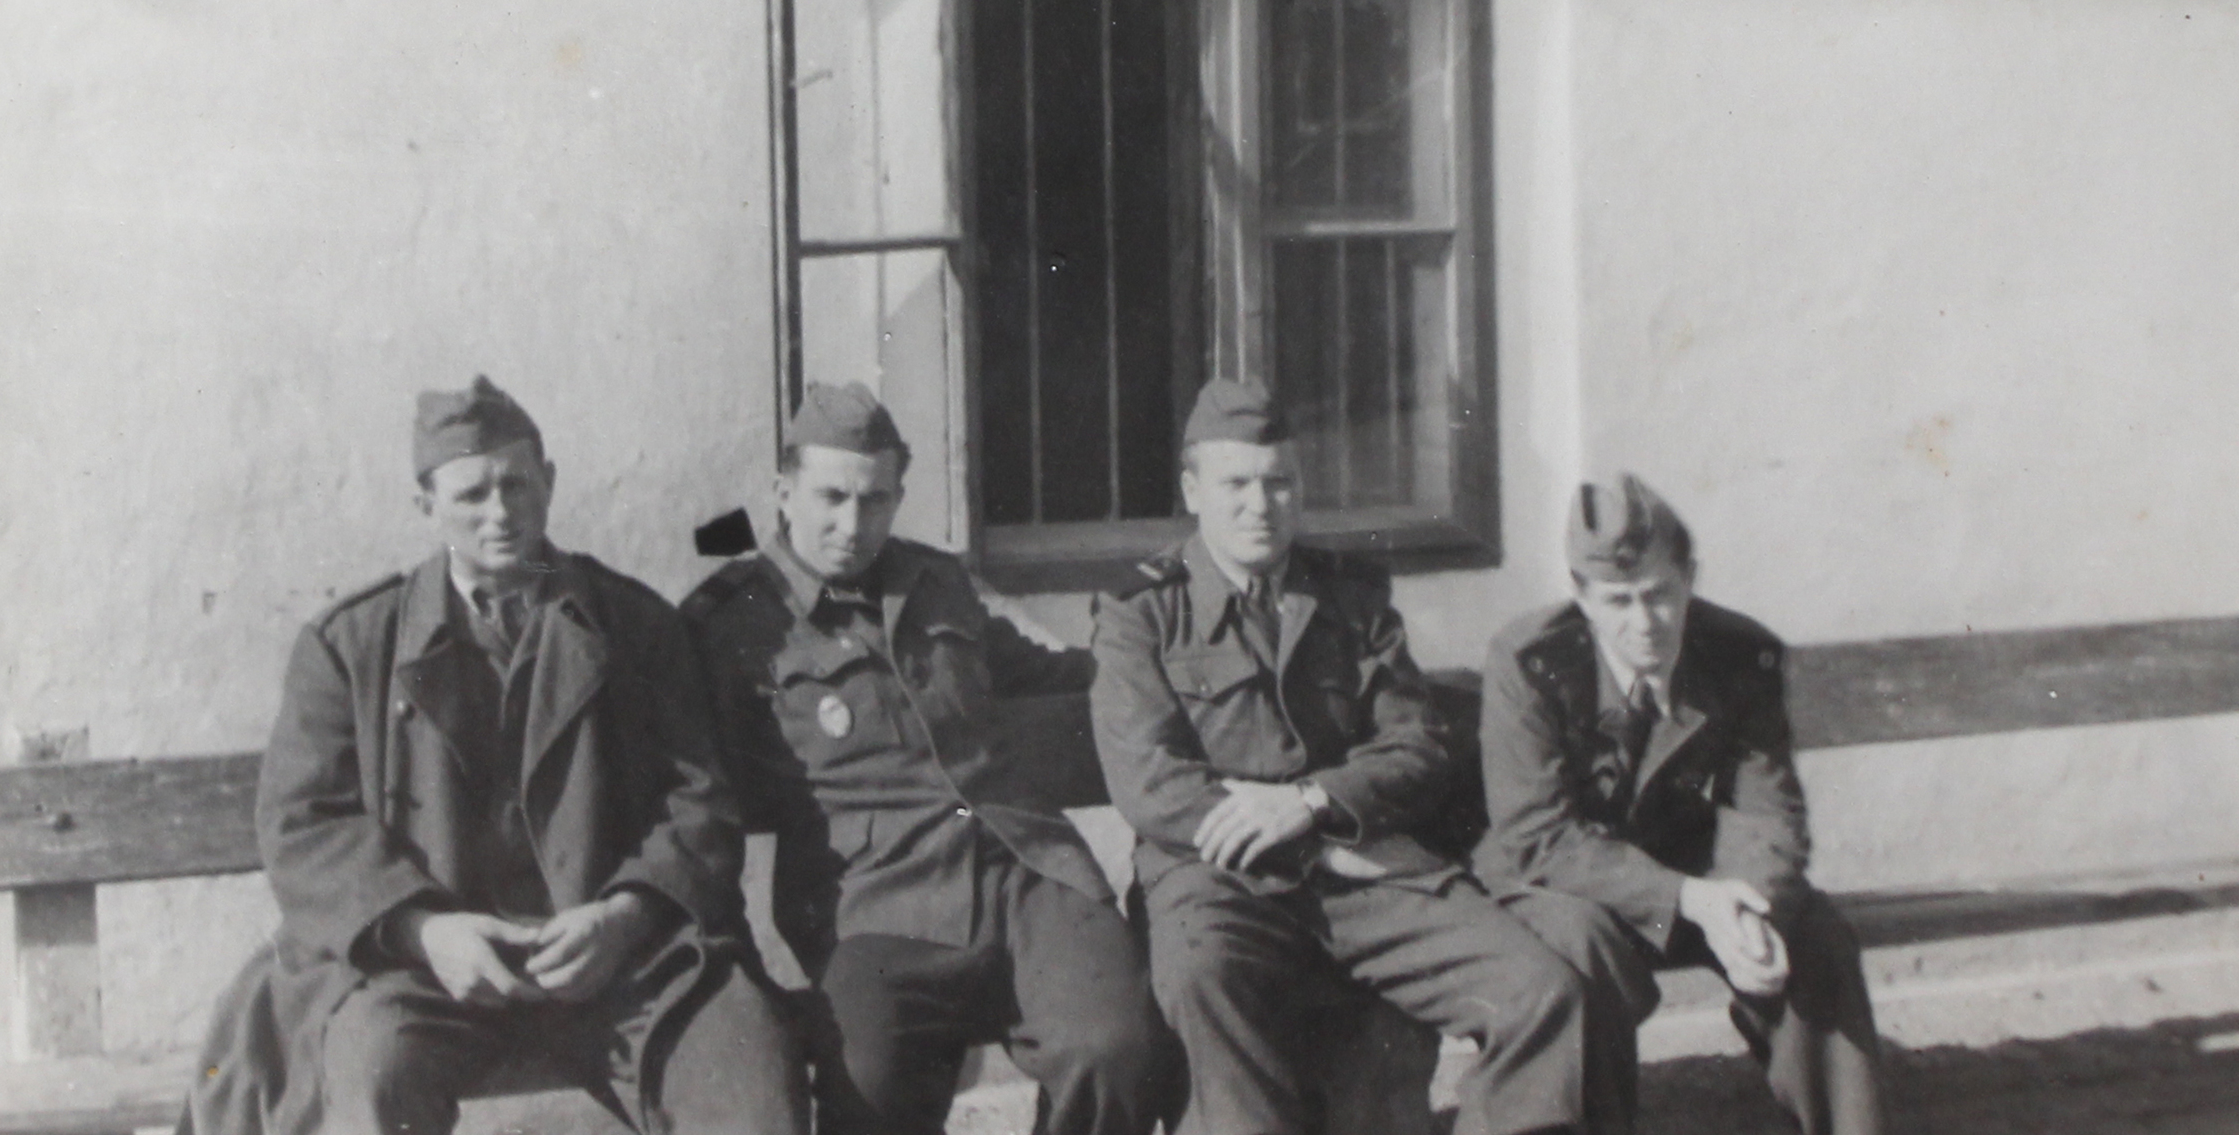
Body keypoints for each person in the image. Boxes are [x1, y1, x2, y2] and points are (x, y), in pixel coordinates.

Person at [182, 376, 807, 1135]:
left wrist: (624, 915)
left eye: (517, 485)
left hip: (622, 964)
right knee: (368, 1078)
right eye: (472, 494)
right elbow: (303, 825)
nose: (501, 512)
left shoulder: (635, 625)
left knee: (747, 1068)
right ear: (426, 505)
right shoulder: (351, 647)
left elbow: (698, 800)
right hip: (421, 974)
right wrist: (424, 931)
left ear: (550, 482)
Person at [1090, 378, 1596, 1135]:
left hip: (1367, 874)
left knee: (1543, 992)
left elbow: (1418, 744)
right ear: (1193, 491)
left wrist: (1311, 803)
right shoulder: (1140, 613)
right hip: (1218, 881)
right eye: (1236, 484)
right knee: (1201, 978)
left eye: (1279, 482)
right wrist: (1312, 846)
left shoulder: (1351, 596)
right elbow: (1149, 782)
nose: (1261, 505)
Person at [680, 382, 1171, 1135]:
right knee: (866, 1090)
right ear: (783, 492)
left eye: (875, 499)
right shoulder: (731, 622)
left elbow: (1043, 672)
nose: (853, 524)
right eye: (832, 497)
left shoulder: (937, 584)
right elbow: (678, 770)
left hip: (1026, 868)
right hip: (873, 900)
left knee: (1115, 1049)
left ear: (898, 497)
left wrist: (1158, 664)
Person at [1476, 474, 1887, 1135]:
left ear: (1690, 577)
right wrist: (1692, 899)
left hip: (1686, 871)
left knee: (1816, 938)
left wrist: (1752, 907)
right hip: (1559, 882)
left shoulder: (1738, 654)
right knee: (1580, 950)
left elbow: (1768, 810)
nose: (1644, 623)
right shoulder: (1529, 661)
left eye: (1661, 594)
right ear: (1581, 594)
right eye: (1618, 600)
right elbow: (1538, 834)